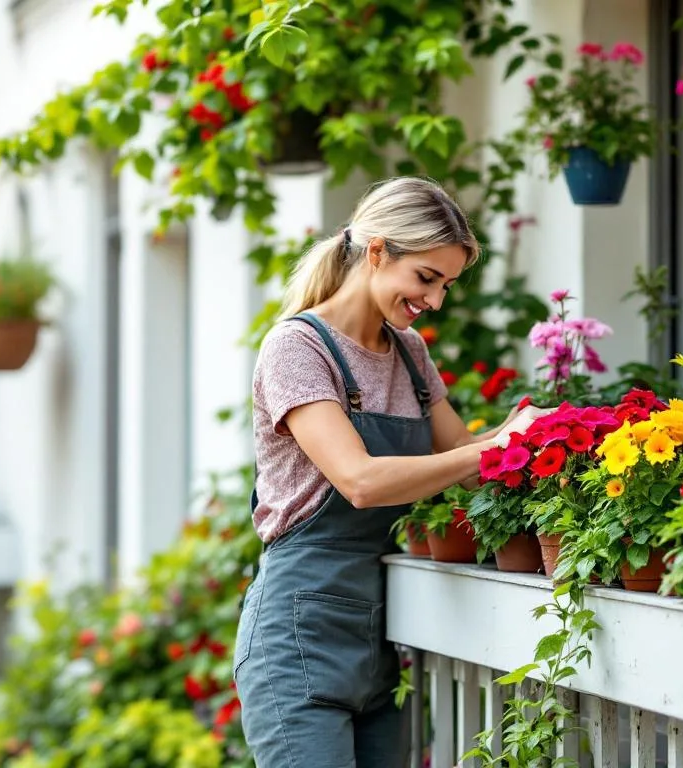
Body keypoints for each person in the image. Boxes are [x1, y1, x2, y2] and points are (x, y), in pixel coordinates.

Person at [234, 176, 546, 767]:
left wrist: (532, 436)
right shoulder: (297, 349)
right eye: (426, 278)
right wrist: (492, 448)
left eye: (446, 285)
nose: (435, 301)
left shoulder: (409, 352)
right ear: (377, 251)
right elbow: (359, 481)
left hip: (377, 648)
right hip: (296, 642)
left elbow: (470, 464)